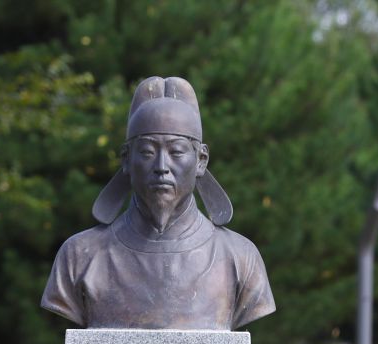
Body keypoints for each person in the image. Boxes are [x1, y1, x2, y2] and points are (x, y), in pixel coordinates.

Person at [41, 76, 275, 330]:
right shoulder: (80, 255)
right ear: (126, 159)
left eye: (176, 152)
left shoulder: (240, 257)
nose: (161, 166)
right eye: (147, 152)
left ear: (201, 160)